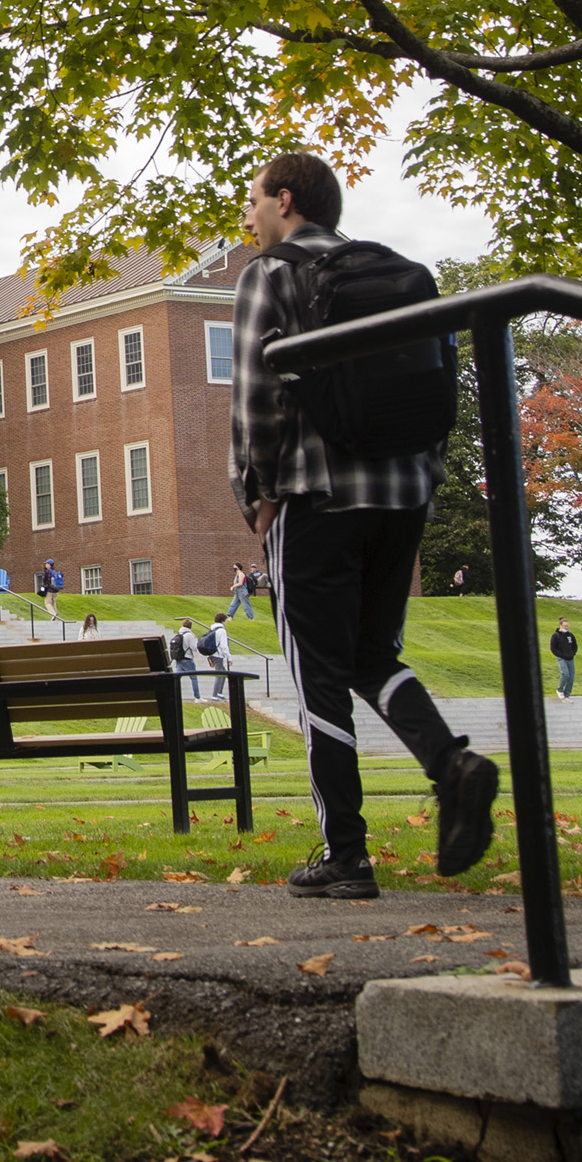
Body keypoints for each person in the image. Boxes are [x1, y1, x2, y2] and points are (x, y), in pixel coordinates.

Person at [231, 151, 496, 901]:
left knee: (318, 678)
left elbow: (255, 392)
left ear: (286, 200)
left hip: (317, 496)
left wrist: (258, 491)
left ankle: (345, 851)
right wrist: (426, 481)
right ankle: (452, 764)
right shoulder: (399, 274)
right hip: (402, 494)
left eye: (252, 202)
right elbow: (441, 384)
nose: (247, 218)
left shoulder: (272, 275)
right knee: (373, 653)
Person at [174, 616, 203, 699]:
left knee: (177, 678)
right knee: (194, 678)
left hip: (179, 658)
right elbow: (194, 648)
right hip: (187, 659)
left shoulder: (179, 633)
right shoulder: (189, 635)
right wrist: (195, 638)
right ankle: (197, 697)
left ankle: (175, 695)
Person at [551, 617, 579, 700]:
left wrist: (572, 654)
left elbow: (575, 646)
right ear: (560, 625)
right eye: (565, 626)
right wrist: (561, 655)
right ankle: (560, 689)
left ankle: (567, 695)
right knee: (565, 674)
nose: (567, 627)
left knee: (571, 677)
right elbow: (553, 648)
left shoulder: (570, 635)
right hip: (561, 658)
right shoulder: (556, 636)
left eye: (568, 626)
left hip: (570, 658)